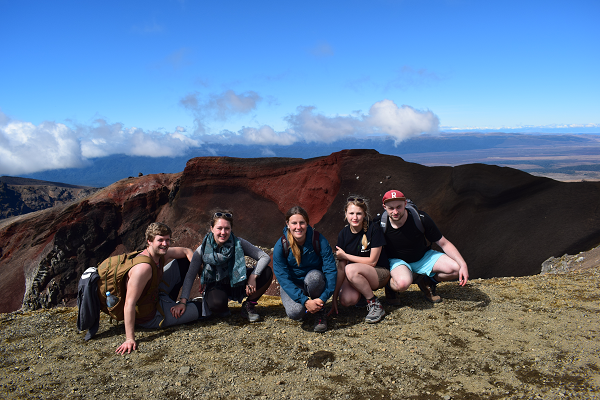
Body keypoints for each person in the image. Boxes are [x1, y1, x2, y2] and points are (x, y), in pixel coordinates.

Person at [172, 210, 273, 322]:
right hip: (216, 284)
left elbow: (264, 257)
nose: (223, 232)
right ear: (212, 229)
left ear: (231, 229)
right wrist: (182, 302)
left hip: (237, 281)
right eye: (219, 228)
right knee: (217, 304)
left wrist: (253, 276)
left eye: (227, 228)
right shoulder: (203, 249)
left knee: (266, 272)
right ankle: (221, 307)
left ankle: (248, 306)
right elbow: (190, 276)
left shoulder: (238, 243)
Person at [116, 222, 199, 355]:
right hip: (150, 316)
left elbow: (186, 251)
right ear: (149, 241)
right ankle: (179, 308)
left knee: (184, 262)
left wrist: (200, 273)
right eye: (160, 240)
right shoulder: (143, 268)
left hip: (155, 295)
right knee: (202, 310)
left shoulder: (160, 255)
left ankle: (172, 303)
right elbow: (129, 304)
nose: (165, 244)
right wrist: (130, 338)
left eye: (167, 240)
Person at [380, 190, 469, 304]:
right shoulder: (381, 224)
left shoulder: (420, 218)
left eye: (399, 207)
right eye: (391, 208)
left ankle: (427, 282)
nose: (395, 211)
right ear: (384, 207)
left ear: (405, 204)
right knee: (402, 283)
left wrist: (463, 264)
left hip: (423, 257)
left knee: (456, 268)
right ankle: (390, 286)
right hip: (398, 261)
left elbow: (444, 243)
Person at [272, 206, 337, 332]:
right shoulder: (282, 245)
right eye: (294, 223)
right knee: (295, 312)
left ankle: (320, 311)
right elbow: (283, 278)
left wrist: (323, 298)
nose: (298, 227)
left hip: (314, 284)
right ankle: (308, 308)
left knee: (314, 277)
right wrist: (305, 301)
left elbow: (331, 270)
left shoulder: (318, 240)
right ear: (287, 224)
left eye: (301, 222)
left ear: (307, 223)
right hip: (294, 285)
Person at [329, 195, 390, 323]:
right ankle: (362, 294)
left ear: (364, 214)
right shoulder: (343, 234)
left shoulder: (374, 229)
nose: (355, 217)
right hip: (358, 274)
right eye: (351, 213)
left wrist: (345, 256)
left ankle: (375, 304)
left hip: (380, 273)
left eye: (358, 213)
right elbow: (340, 268)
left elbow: (372, 261)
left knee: (350, 269)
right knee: (346, 300)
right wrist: (334, 298)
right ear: (346, 214)